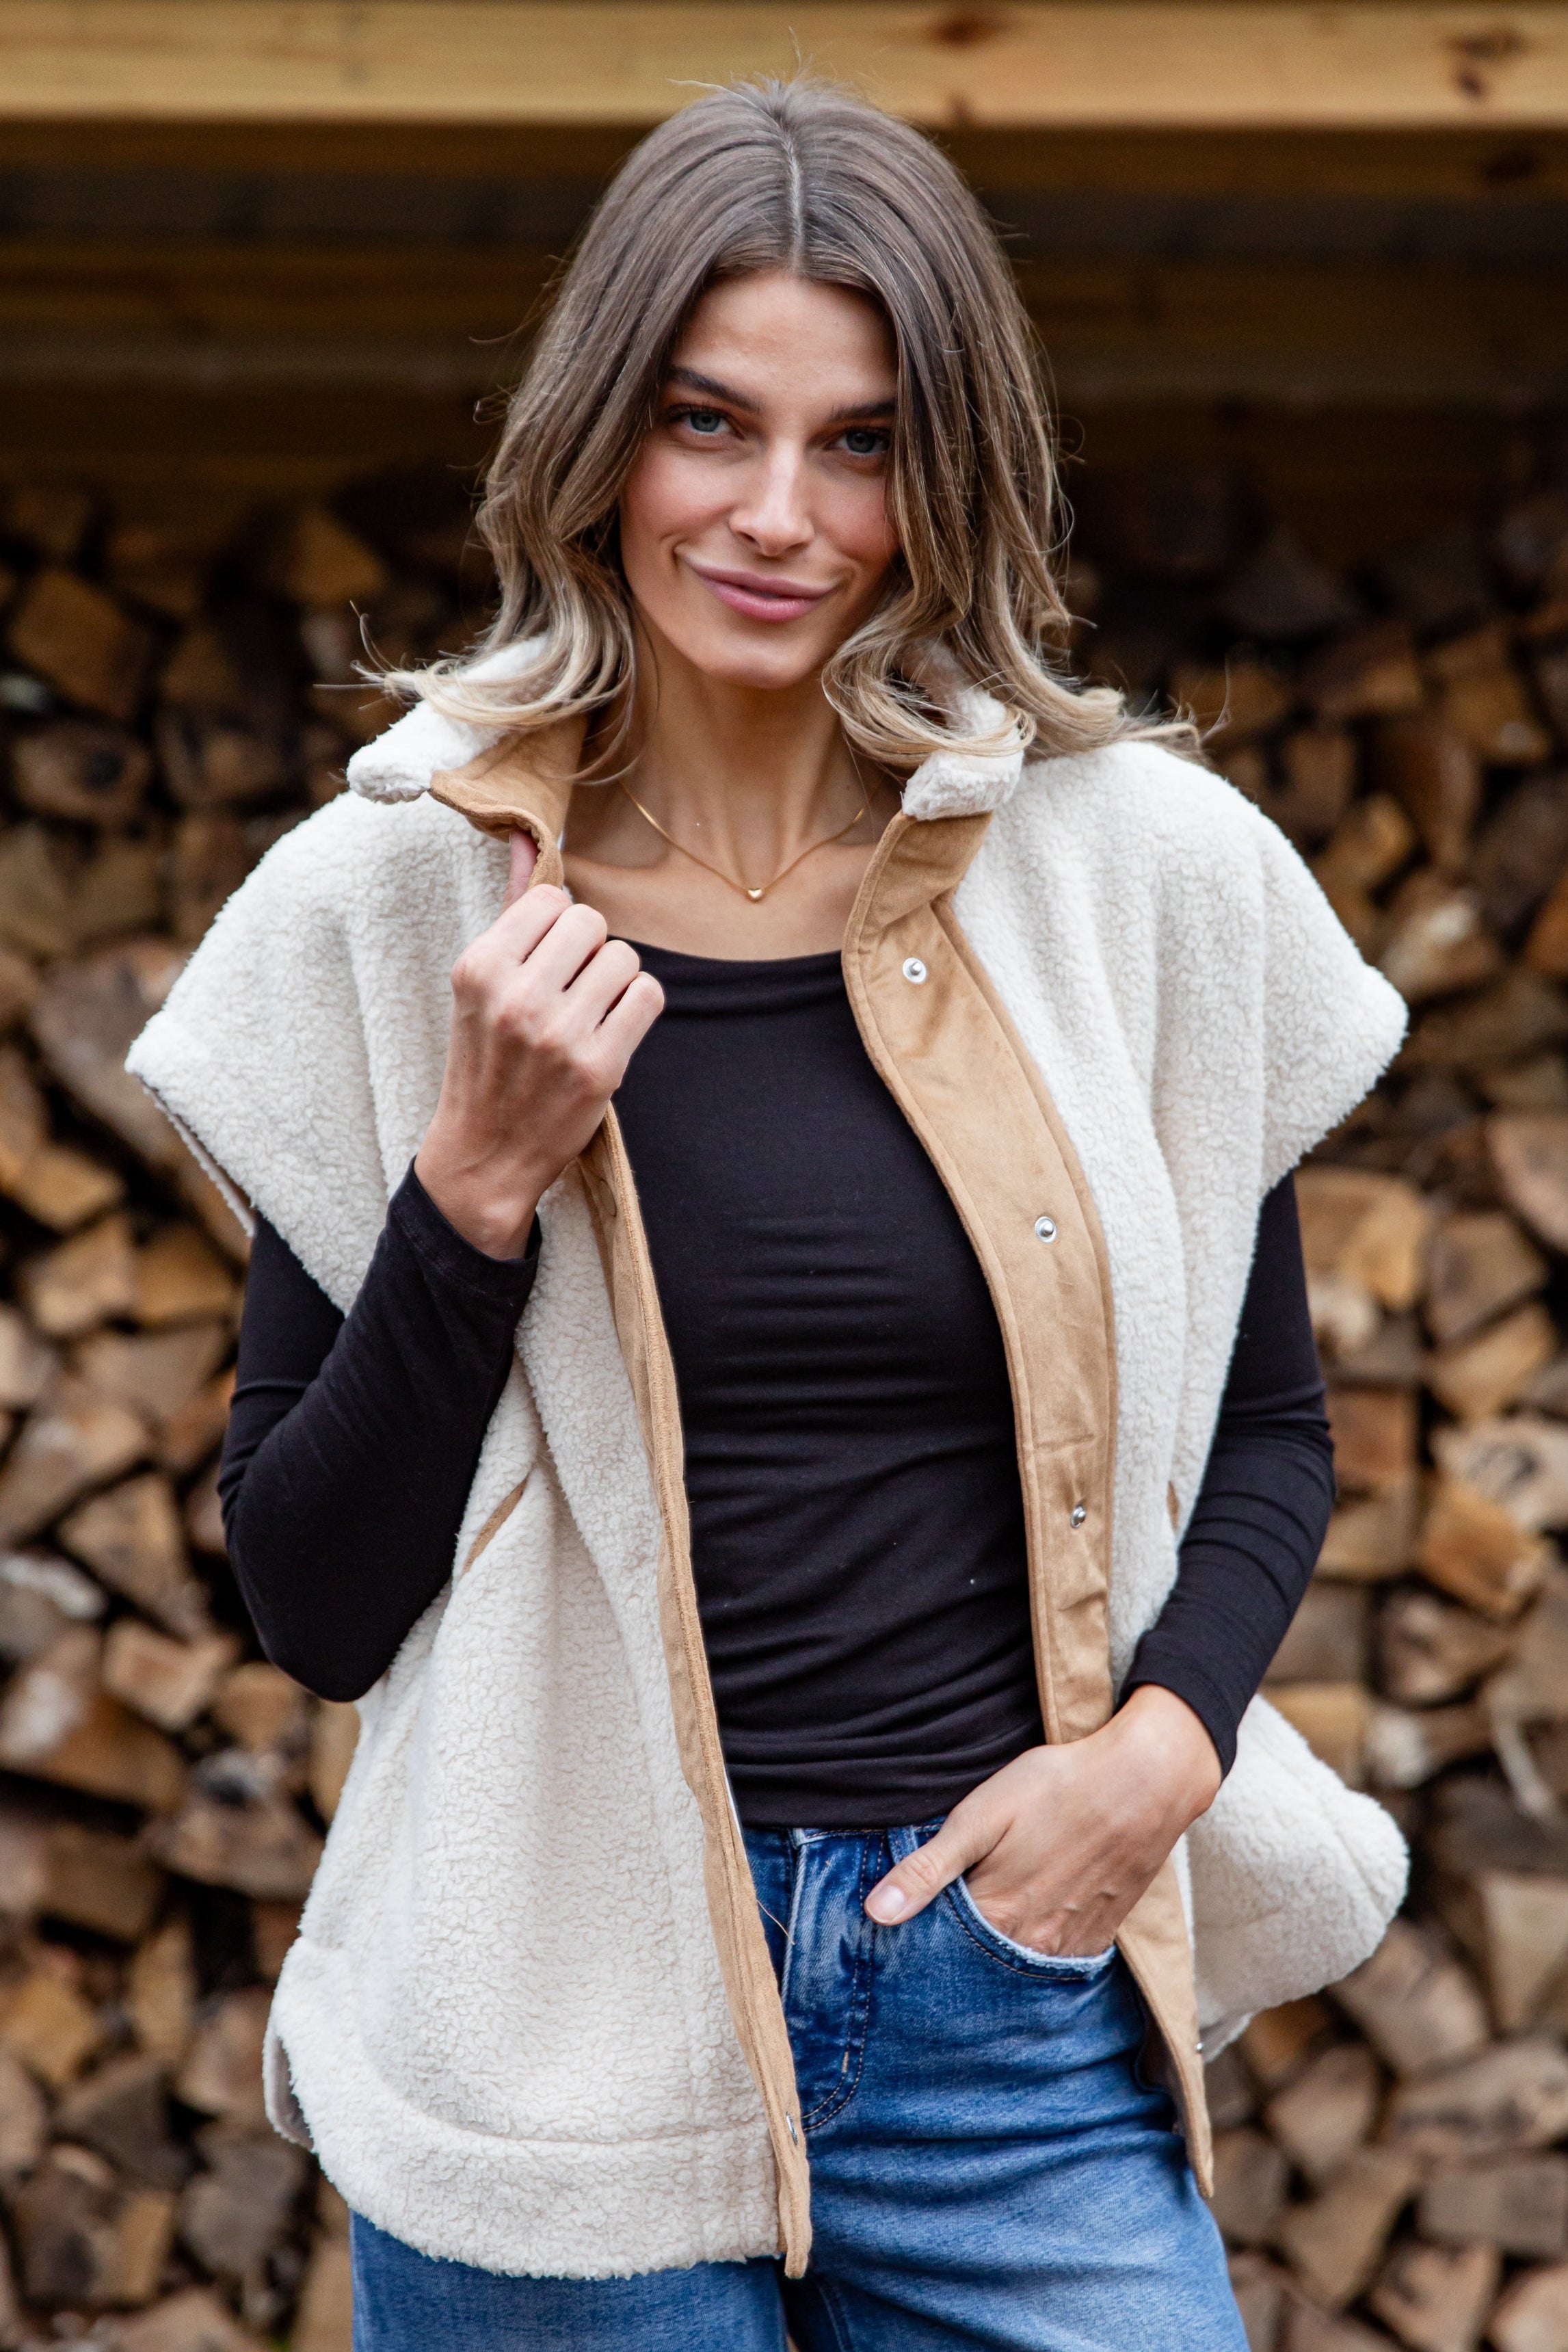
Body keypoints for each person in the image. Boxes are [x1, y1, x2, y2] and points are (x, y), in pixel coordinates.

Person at [129, 77, 1410, 2352]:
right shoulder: (394, 901)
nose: (778, 515)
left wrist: (1156, 1762)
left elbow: (1273, 1431)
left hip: (1009, 2021)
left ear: (952, 475)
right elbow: (312, 1601)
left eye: (862, 444)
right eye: (709, 422)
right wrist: (473, 1185)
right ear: (600, 434)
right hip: (552, 2045)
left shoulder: (1140, 879)